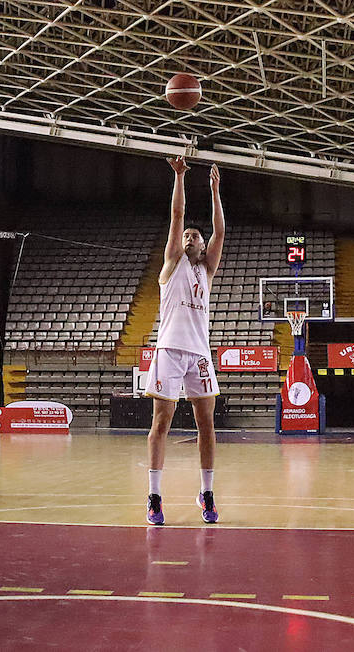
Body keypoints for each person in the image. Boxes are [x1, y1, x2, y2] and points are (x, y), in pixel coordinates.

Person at [145, 158, 225, 526]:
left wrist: (214, 191)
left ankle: (206, 492)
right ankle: (155, 497)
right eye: (188, 235)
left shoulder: (206, 270)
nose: (192, 238)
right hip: (170, 351)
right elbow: (177, 214)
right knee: (161, 423)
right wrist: (179, 177)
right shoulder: (173, 262)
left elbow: (220, 233)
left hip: (200, 355)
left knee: (206, 424)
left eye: (197, 236)